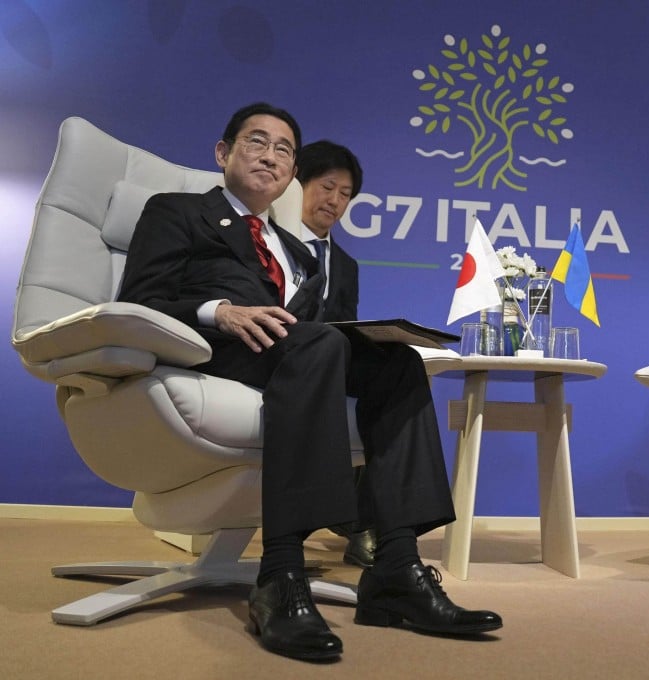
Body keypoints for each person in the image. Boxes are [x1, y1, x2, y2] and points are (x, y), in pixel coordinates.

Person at [118, 103, 502, 661]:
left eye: (284, 150)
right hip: (215, 351)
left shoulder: (296, 247)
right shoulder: (177, 211)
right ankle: (280, 575)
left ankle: (396, 566)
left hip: (297, 353)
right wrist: (219, 311)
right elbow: (137, 300)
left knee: (399, 363)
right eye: (257, 142)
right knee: (320, 343)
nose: (271, 157)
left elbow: (315, 325)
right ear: (223, 153)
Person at [295, 139, 375, 569]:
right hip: (276, 361)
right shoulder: (266, 239)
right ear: (298, 183)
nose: (335, 201)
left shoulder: (347, 265)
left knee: (392, 378)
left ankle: (370, 523)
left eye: (345, 195)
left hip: (330, 365)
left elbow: (345, 326)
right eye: (327, 187)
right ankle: (352, 519)